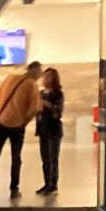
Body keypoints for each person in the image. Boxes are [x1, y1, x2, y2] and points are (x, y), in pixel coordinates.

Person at [0, 59, 42, 199]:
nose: (40, 75)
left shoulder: (10, 78)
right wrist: (23, 122)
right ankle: (14, 188)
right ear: (34, 70)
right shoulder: (32, 85)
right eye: (40, 71)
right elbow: (34, 109)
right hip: (17, 126)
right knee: (16, 157)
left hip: (1, 122)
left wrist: (2, 114)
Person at [36, 66, 65, 197]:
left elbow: (58, 111)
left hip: (53, 129)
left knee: (53, 158)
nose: (45, 79)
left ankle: (53, 184)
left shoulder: (58, 93)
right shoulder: (41, 93)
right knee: (45, 158)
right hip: (42, 129)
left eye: (48, 77)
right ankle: (46, 182)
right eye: (44, 77)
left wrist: (47, 105)